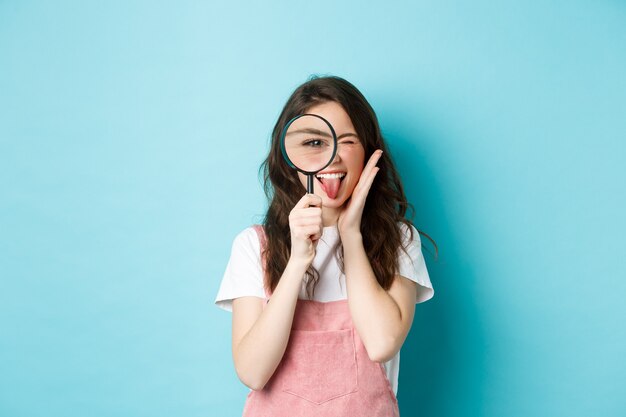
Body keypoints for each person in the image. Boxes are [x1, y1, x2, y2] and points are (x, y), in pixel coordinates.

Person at [215, 75, 436, 416]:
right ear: (288, 159)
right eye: (314, 143)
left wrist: (351, 234)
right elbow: (252, 372)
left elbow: (381, 343)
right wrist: (297, 260)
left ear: (368, 154)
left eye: (347, 141)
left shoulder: (400, 240)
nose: (331, 157)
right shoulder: (253, 246)